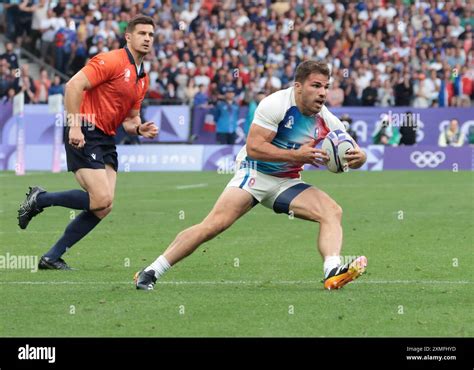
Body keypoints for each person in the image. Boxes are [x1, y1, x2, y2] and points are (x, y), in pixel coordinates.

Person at [135, 61, 368, 291]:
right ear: (298, 87)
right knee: (214, 225)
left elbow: (351, 150)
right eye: (316, 86)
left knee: (332, 211)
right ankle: (152, 270)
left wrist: (360, 158)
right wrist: (296, 155)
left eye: (326, 87)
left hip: (286, 182)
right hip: (254, 172)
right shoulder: (276, 104)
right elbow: (255, 147)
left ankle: (332, 271)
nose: (322, 93)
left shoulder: (327, 120)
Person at [17, 15, 158, 270]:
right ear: (128, 36)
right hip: (86, 128)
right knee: (100, 198)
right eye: (142, 33)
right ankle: (39, 199)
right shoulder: (111, 60)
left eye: (151, 35)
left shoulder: (142, 78)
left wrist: (139, 128)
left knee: (104, 206)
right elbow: (73, 85)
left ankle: (51, 257)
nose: (147, 38)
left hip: (106, 138)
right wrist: (74, 125)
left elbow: (130, 119)